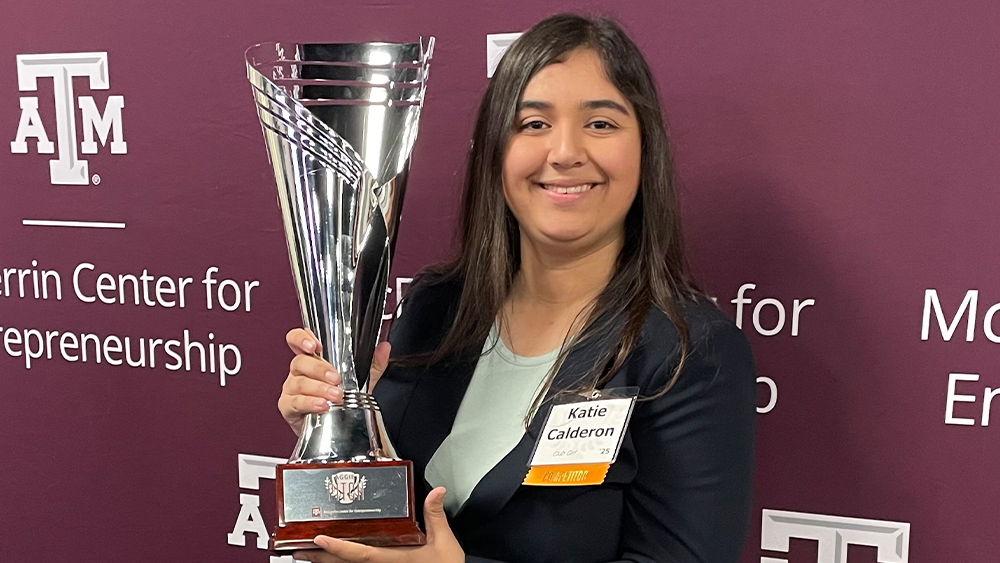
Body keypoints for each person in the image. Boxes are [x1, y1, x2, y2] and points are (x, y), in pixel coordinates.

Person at [279, 13, 756, 563]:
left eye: (601, 123)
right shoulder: (437, 307)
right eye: (533, 124)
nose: (564, 152)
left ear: (645, 151)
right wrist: (337, 429)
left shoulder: (686, 351)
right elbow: (383, 515)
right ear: (494, 151)